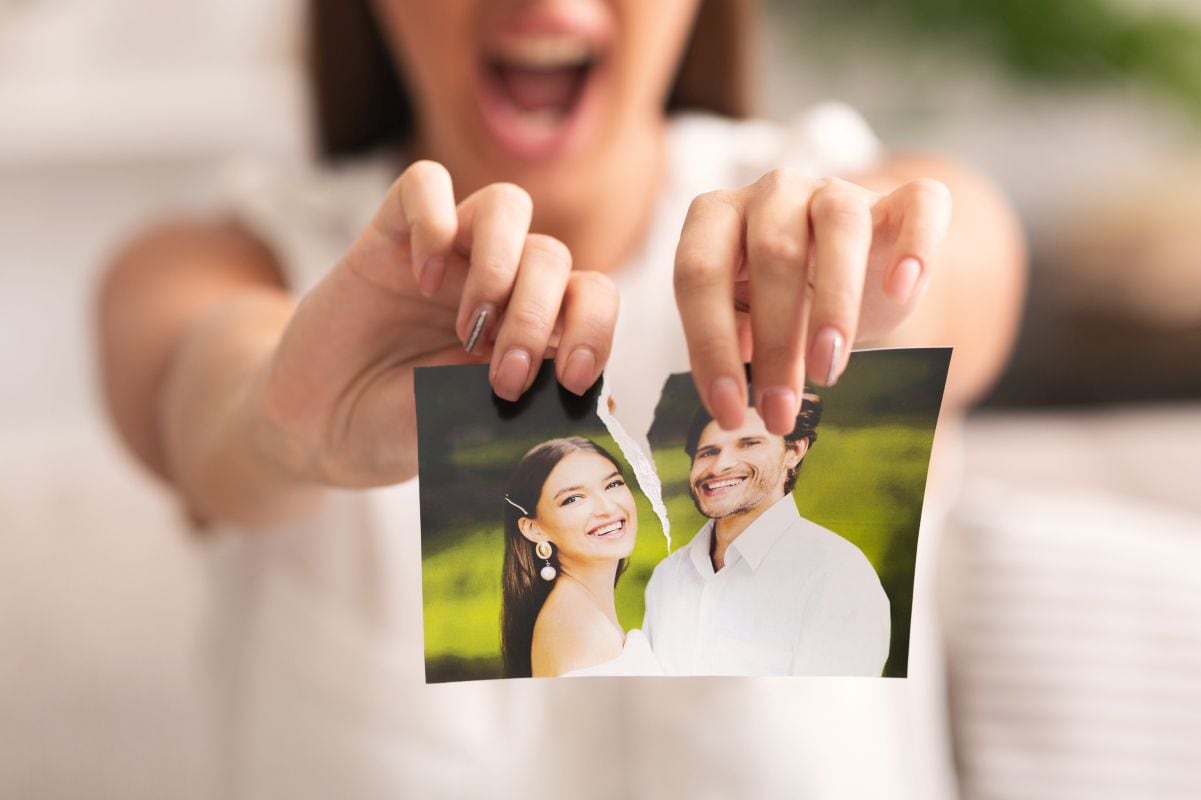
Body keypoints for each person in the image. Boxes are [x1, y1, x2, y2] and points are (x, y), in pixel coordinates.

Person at [97, 0, 1025, 795]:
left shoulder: (841, 196)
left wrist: (855, 267)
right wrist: (283, 428)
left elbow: (962, 258)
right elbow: (205, 389)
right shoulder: (231, 259)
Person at [643, 393, 891, 676]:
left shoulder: (837, 575)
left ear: (794, 450)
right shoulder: (667, 575)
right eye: (708, 452)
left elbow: (832, 712)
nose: (720, 465)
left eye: (748, 443)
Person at [500, 437, 661, 678]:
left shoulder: (574, 612)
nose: (606, 507)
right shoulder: (584, 630)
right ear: (534, 529)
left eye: (613, 484)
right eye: (573, 499)